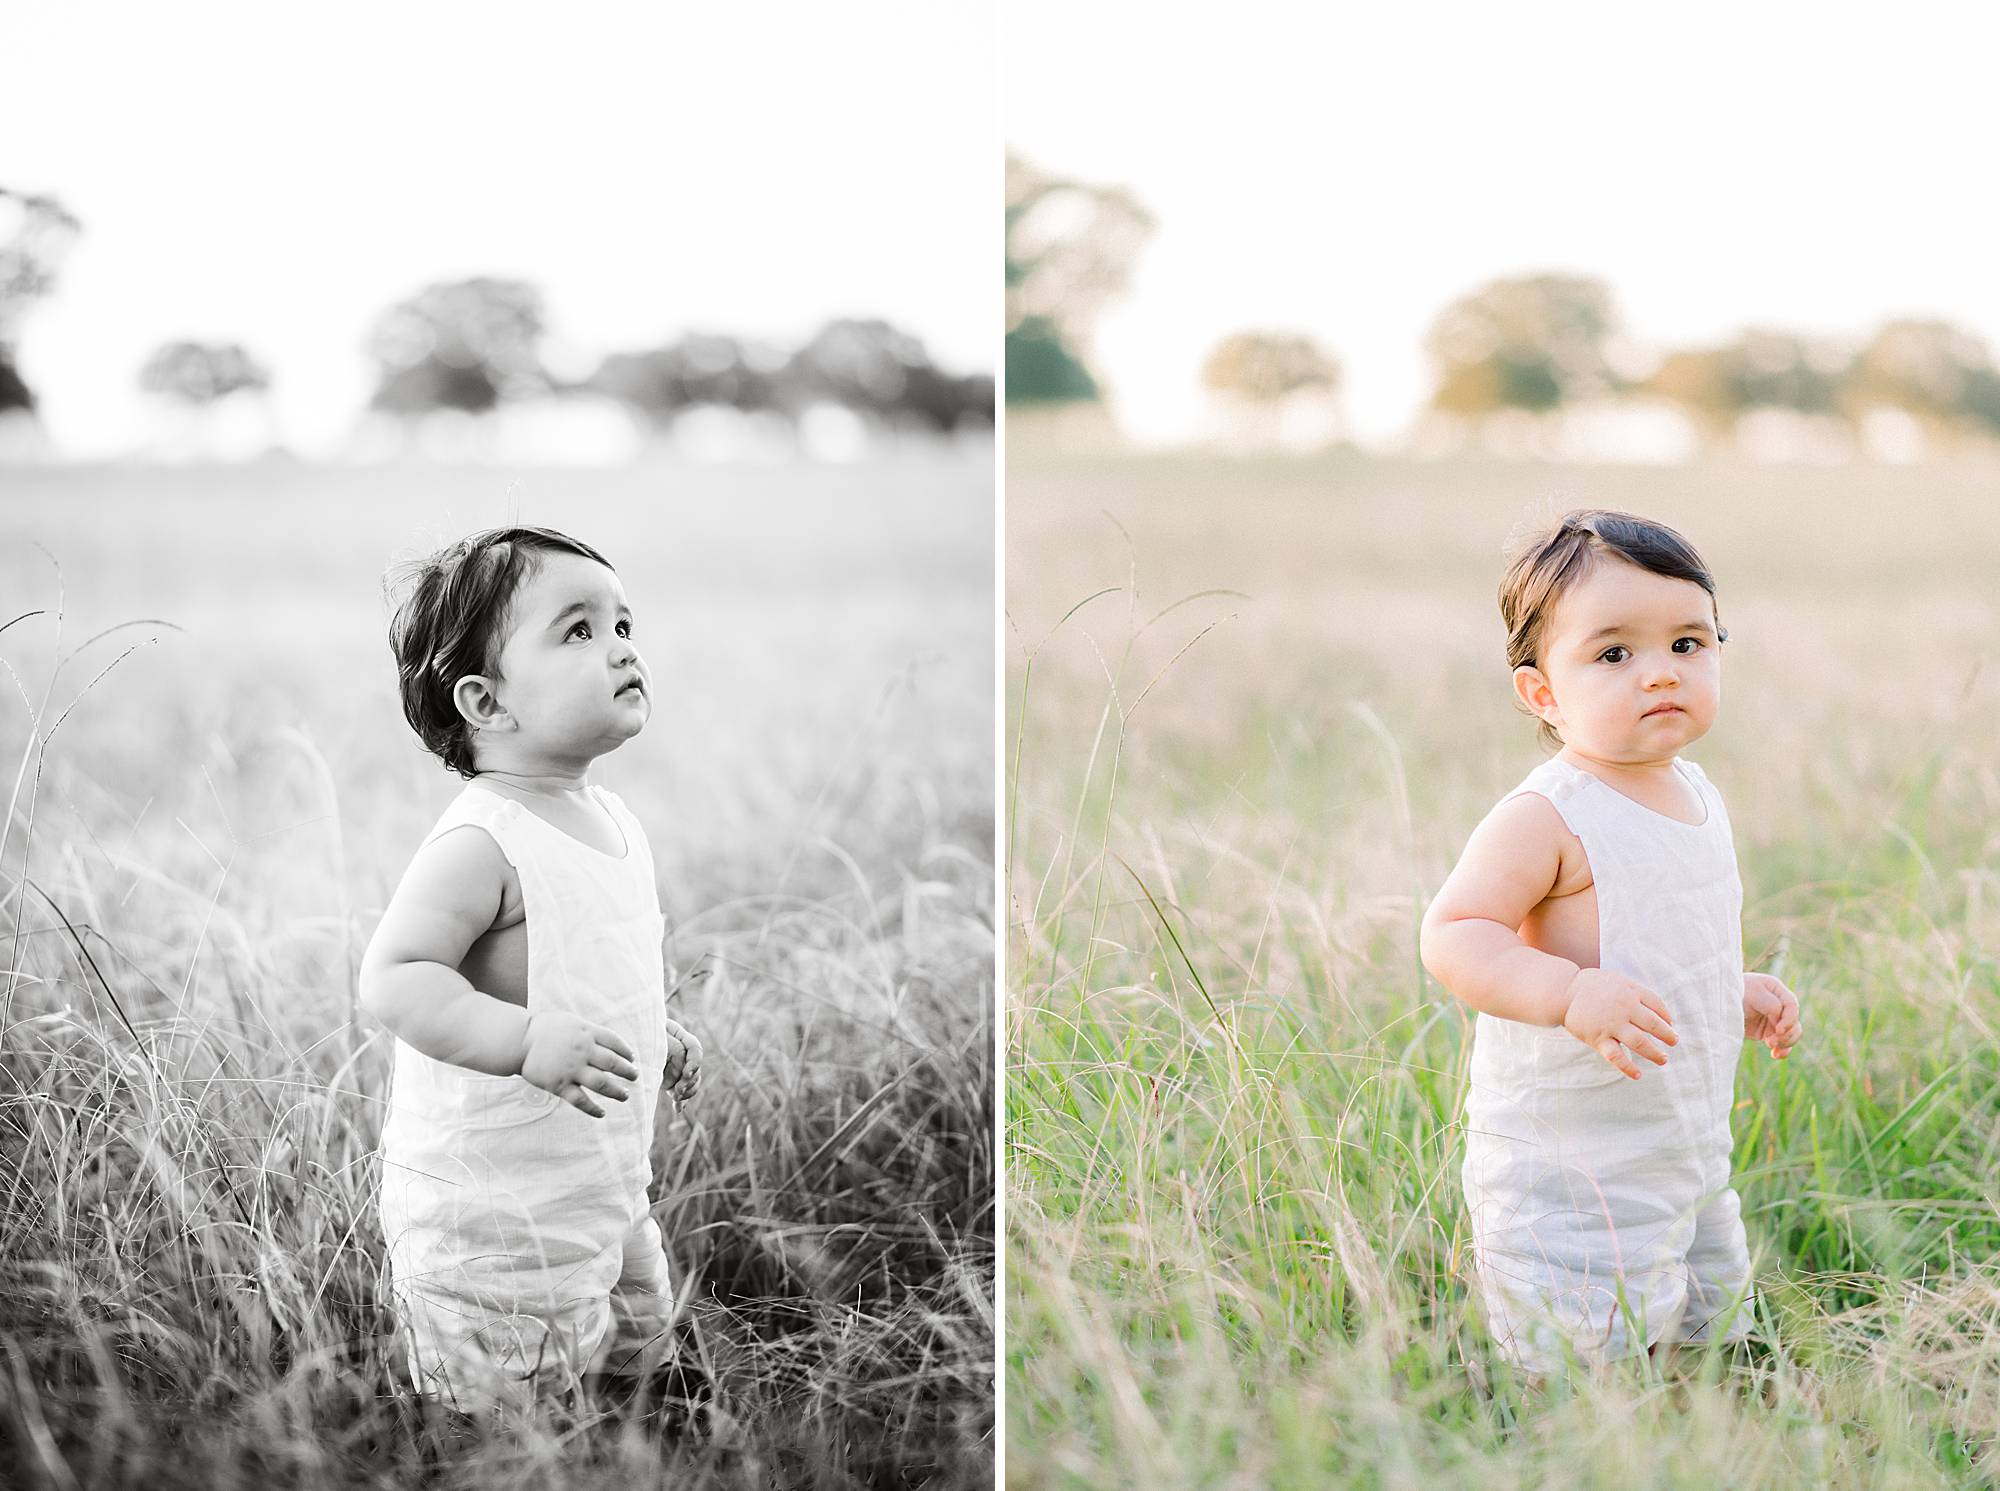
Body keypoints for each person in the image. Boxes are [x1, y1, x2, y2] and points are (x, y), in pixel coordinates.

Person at [1420, 509, 1803, 1383]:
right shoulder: (1548, 814)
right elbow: (1452, 934)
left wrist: (1726, 987)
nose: (1660, 673)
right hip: (1574, 1171)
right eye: (1615, 654)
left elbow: (1658, 930)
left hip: (1685, 1149)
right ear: (1542, 694)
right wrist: (1568, 994)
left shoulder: (1695, 791)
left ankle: (1706, 1414)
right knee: (1591, 1354)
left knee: (1706, 1327)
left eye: (1687, 643)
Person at [360, 525, 705, 1420]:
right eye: (579, 631)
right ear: (486, 701)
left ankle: (644, 1436)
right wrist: (521, 1038)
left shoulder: (611, 819)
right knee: (510, 1410)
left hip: (603, 1188)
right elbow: (395, 976)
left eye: (624, 624)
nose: (622, 647)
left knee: (639, 1350)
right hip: (494, 1219)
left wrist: (658, 1027)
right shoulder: (482, 840)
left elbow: (591, 960)